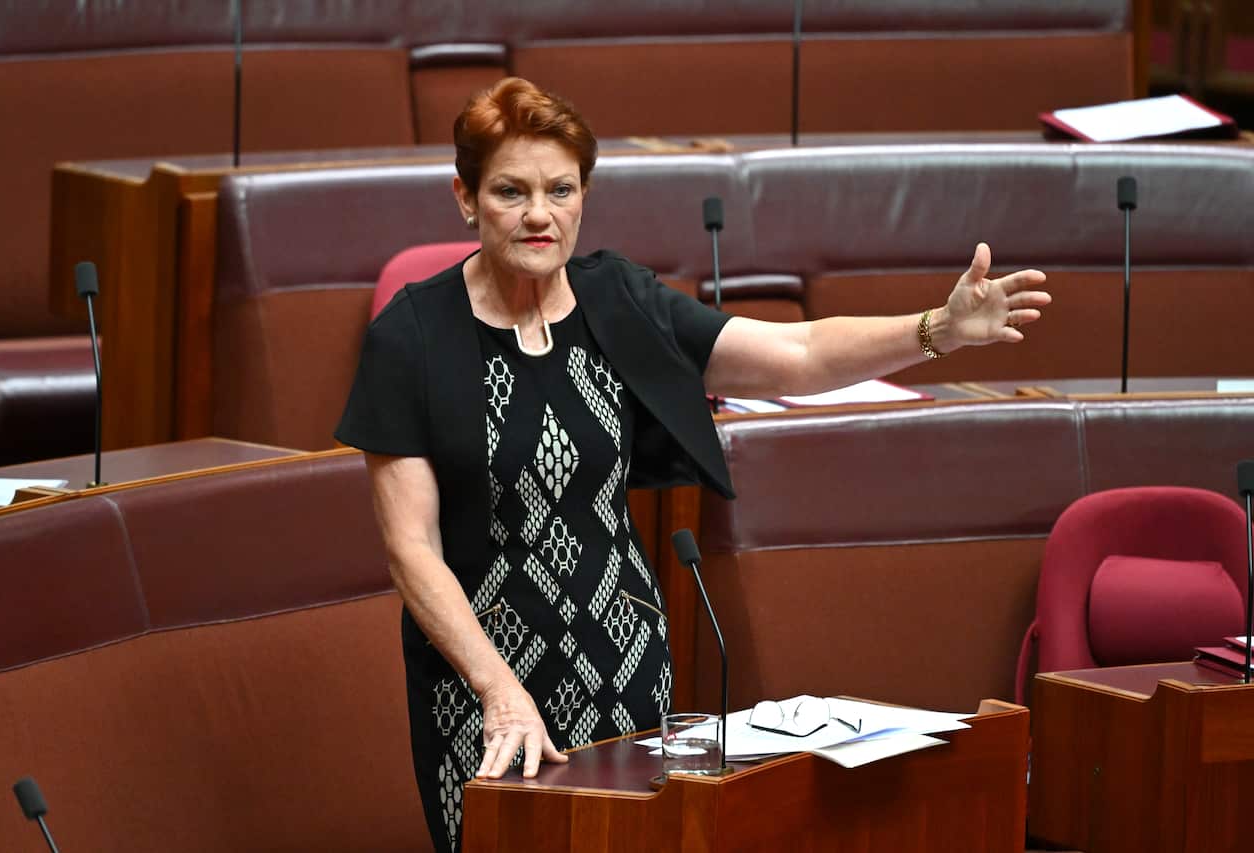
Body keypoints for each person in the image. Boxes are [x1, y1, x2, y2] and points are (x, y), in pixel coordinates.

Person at [335, 76, 1050, 852]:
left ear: (585, 195)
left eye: (560, 190)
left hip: (624, 666)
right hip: (484, 691)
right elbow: (411, 548)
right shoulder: (412, 338)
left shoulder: (619, 301)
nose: (539, 214)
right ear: (465, 198)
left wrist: (937, 329)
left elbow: (796, 353)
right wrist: (498, 689)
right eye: (511, 190)